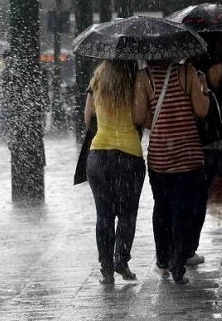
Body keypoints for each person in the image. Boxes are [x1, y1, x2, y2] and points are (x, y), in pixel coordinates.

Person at [138, 58, 209, 284]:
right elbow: (202, 110)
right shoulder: (186, 72)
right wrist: (203, 88)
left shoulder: (144, 77)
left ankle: (163, 259)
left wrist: (159, 124)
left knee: (162, 207)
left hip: (160, 157)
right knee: (184, 209)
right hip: (188, 155)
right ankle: (179, 263)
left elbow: (139, 117)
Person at [84, 59, 148, 285]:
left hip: (98, 156)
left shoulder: (98, 77)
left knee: (104, 215)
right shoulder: (137, 78)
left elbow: (87, 117)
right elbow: (139, 117)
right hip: (128, 156)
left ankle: (106, 269)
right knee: (127, 214)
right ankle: (121, 260)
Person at [187, 33, 222, 266]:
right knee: (200, 198)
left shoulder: (189, 71)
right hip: (214, 140)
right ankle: (190, 246)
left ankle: (183, 245)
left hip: (192, 140)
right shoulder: (220, 70)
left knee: (188, 196)